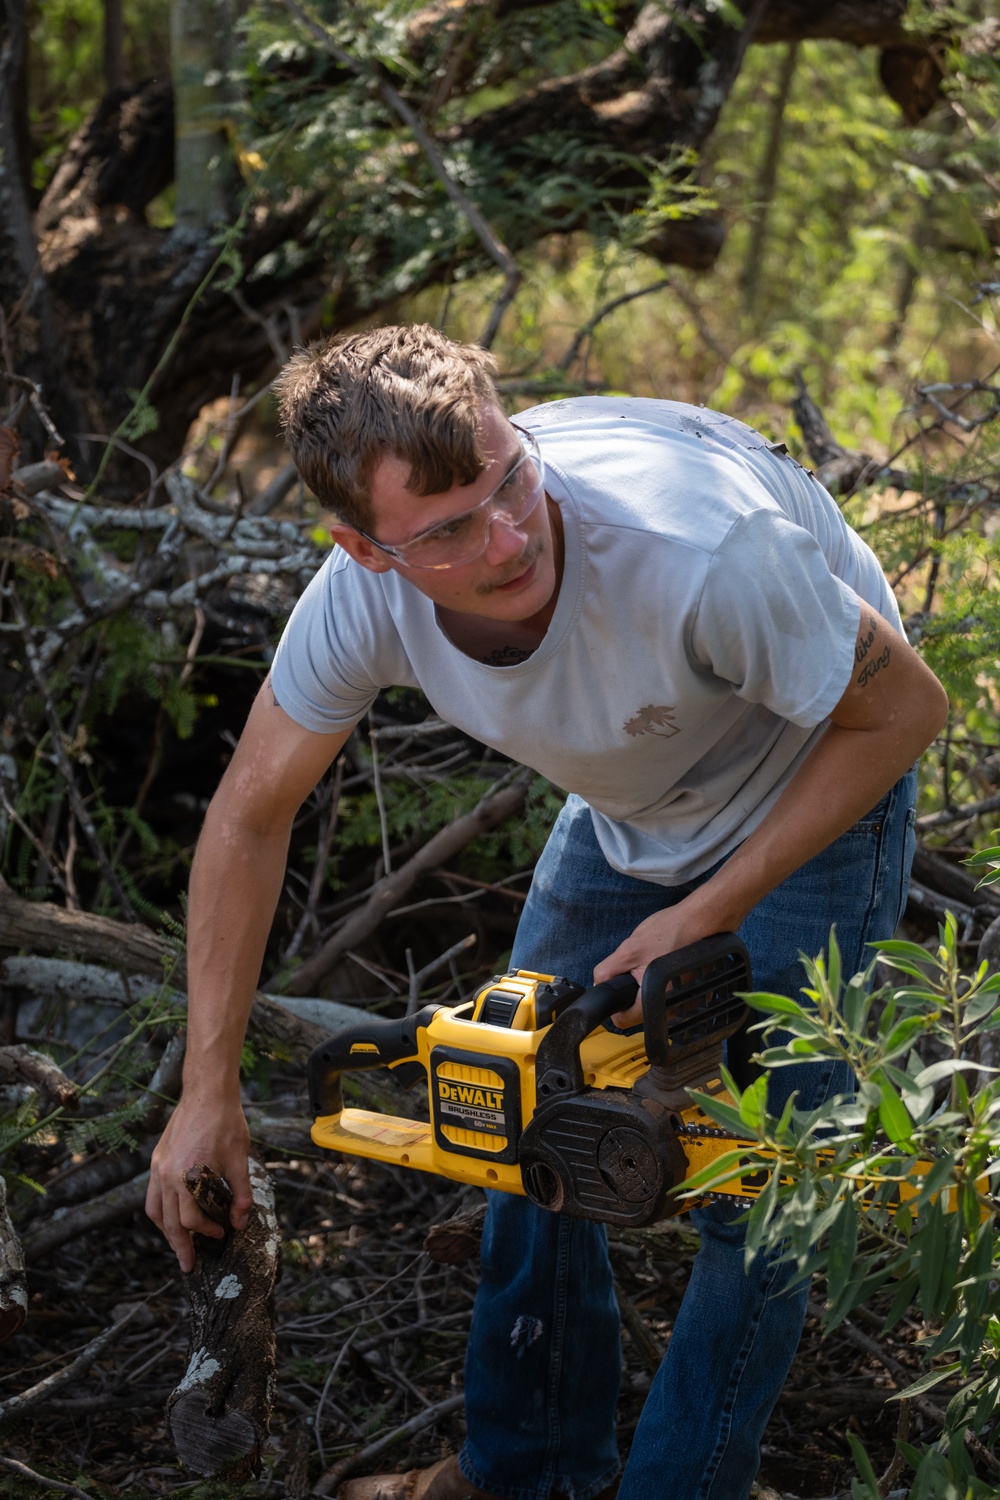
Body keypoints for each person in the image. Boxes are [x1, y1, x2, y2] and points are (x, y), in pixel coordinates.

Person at [147, 324, 947, 1500]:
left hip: (818, 763)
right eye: (451, 529)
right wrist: (205, 1094)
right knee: (507, 1098)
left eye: (509, 477)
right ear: (363, 551)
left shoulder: (700, 547)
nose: (509, 533)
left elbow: (905, 713)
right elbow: (247, 817)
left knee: (768, 1185)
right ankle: (522, 1466)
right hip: (637, 800)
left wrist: (711, 907)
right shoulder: (356, 606)